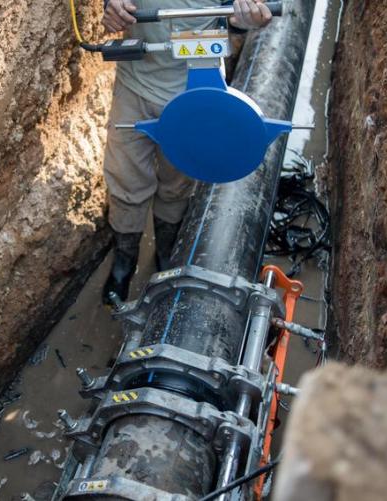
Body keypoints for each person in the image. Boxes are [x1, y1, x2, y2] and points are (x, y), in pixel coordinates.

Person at [101, 0, 274, 304]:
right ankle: (123, 263)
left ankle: (167, 254)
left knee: (177, 180)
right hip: (135, 84)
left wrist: (246, 18)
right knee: (125, 178)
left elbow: (248, 15)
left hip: (192, 89)